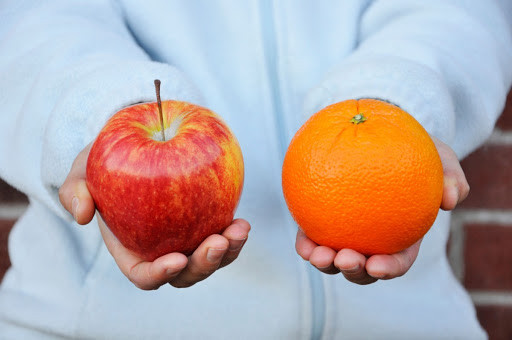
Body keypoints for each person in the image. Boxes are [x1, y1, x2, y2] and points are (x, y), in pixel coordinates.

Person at [0, 1, 511, 339]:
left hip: (405, 323)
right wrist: (101, 109)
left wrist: (395, 103)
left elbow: (458, 11)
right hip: (90, 324)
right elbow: (33, 18)